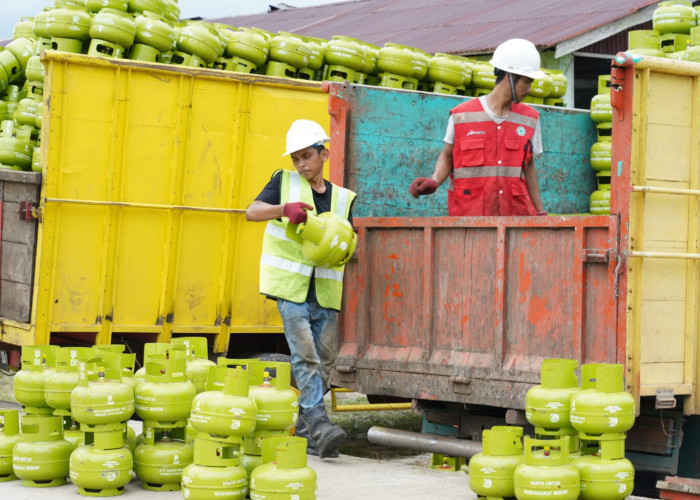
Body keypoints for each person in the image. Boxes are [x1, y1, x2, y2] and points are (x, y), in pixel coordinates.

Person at [246, 119, 356, 459]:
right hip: (291, 290)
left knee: (325, 361)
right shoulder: (284, 183)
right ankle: (320, 424)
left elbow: (345, 241)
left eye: (306, 156)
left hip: (324, 293)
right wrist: (283, 210)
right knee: (304, 356)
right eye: (295, 158)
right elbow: (251, 213)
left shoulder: (342, 198)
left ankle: (309, 433)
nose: (301, 164)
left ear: (324, 153)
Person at [409, 38, 547, 216]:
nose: (529, 89)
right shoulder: (461, 115)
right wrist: (435, 180)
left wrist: (541, 212)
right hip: (470, 220)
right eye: (527, 81)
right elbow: (448, 156)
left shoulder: (530, 119)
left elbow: (529, 167)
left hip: (516, 219)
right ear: (510, 76)